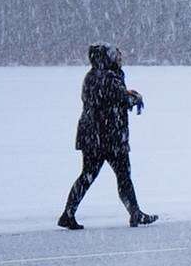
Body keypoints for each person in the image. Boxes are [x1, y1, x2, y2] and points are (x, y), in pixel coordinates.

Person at [58, 43, 158, 230]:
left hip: (91, 135)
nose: (119, 59)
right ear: (107, 58)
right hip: (109, 136)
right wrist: (135, 97)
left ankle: (68, 213)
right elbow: (121, 99)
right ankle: (135, 213)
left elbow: (106, 99)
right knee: (123, 176)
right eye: (115, 55)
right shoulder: (109, 77)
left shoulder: (91, 76)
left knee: (87, 176)